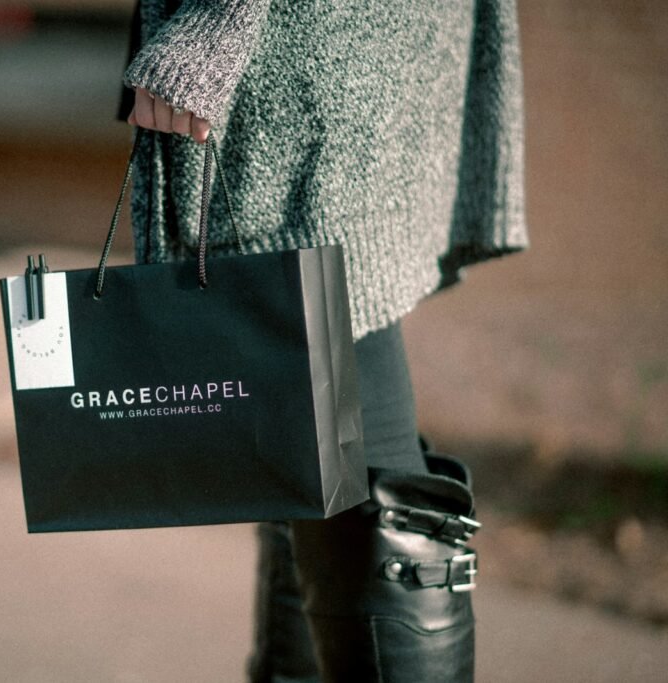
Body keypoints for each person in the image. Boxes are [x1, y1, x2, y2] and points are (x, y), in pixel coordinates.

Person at [118, 1, 526, 681]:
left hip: (306, 49)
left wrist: (215, 27)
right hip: (352, 42)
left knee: (325, 325)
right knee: (303, 427)